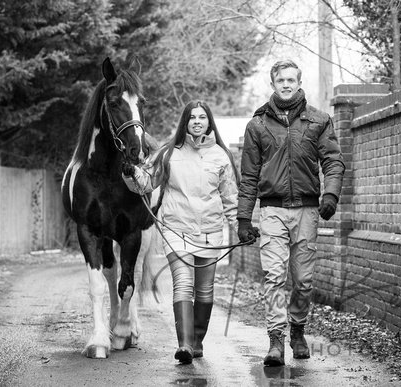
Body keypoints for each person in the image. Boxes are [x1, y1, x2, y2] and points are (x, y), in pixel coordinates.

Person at [237, 60, 345, 366]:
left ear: (299, 82)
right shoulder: (257, 125)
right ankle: (275, 340)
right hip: (271, 210)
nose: (286, 84)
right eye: (280, 80)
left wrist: (331, 194)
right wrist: (244, 218)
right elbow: (248, 175)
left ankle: (297, 330)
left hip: (307, 211)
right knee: (273, 277)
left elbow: (333, 162)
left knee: (303, 280)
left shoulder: (318, 121)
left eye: (291, 80)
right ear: (272, 84)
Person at [122, 100, 239, 365]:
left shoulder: (221, 156)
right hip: (177, 231)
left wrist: (240, 226)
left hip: (210, 233)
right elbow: (146, 182)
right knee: (183, 286)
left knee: (205, 291)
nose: (197, 122)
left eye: (202, 117)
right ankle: (184, 345)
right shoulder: (168, 153)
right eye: (192, 118)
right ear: (185, 122)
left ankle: (197, 342)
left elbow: (230, 197)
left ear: (209, 122)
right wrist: (131, 174)